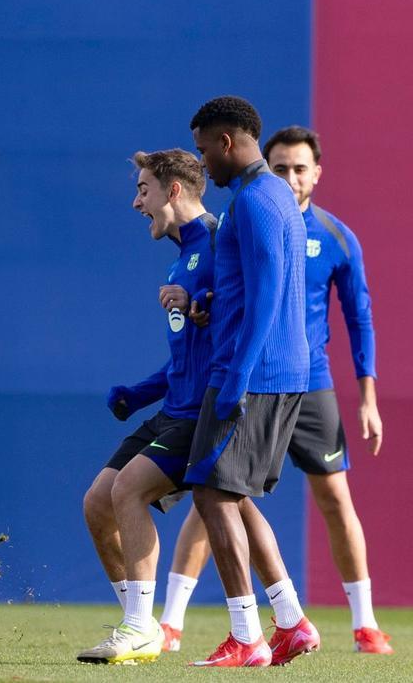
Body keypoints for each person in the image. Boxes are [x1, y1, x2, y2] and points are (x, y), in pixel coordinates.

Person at [157, 125, 392, 655]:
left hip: (290, 381)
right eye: (280, 166)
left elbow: (357, 318)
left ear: (317, 174)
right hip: (260, 373)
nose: (290, 176)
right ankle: (177, 619)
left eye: (299, 168)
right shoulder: (256, 209)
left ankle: (361, 623)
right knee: (218, 492)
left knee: (305, 496)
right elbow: (228, 294)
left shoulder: (311, 227)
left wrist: (368, 395)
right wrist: (201, 304)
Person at [185, 96, 317, 667]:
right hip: (272, 368)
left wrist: (237, 373)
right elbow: (263, 286)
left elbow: (268, 293)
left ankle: (247, 636)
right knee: (231, 496)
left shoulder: (256, 201)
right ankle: (290, 622)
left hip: (253, 373)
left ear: (228, 143)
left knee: (213, 494)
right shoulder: (271, 197)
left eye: (203, 150)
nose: (202, 164)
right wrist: (218, 301)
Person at [76, 149, 215, 664]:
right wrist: (140, 392)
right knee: (97, 502)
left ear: (172, 191)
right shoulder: (182, 257)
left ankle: (139, 627)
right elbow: (186, 359)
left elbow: (244, 324)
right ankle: (143, 625)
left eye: (143, 190)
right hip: (173, 408)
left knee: (129, 489)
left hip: (207, 411)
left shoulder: (221, 244)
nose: (137, 203)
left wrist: (203, 310)